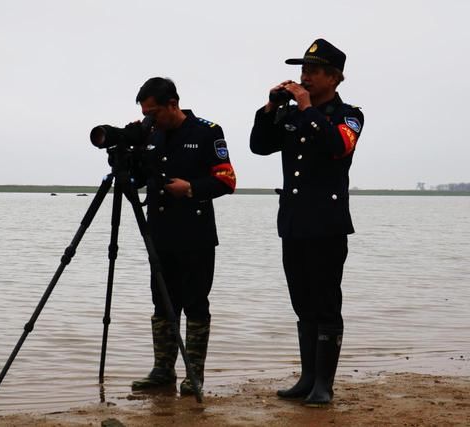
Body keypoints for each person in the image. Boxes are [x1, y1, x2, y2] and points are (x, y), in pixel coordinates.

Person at [249, 39, 364, 405]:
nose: (305, 77)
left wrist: (305, 106)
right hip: (294, 222)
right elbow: (260, 145)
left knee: (326, 302)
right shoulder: (295, 114)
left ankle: (324, 385)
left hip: (328, 224)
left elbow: (337, 146)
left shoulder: (348, 115)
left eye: (313, 71)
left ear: (334, 77)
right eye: (303, 71)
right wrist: (271, 107)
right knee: (302, 302)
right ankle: (307, 378)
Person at [131, 77, 236, 395]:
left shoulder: (206, 131)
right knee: (162, 303)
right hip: (160, 234)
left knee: (195, 304)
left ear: (172, 105)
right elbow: (137, 179)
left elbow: (227, 181)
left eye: (153, 111)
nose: (150, 118)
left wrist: (190, 189)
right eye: (145, 112)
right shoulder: (150, 133)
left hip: (196, 234)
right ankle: (163, 371)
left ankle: (194, 375)